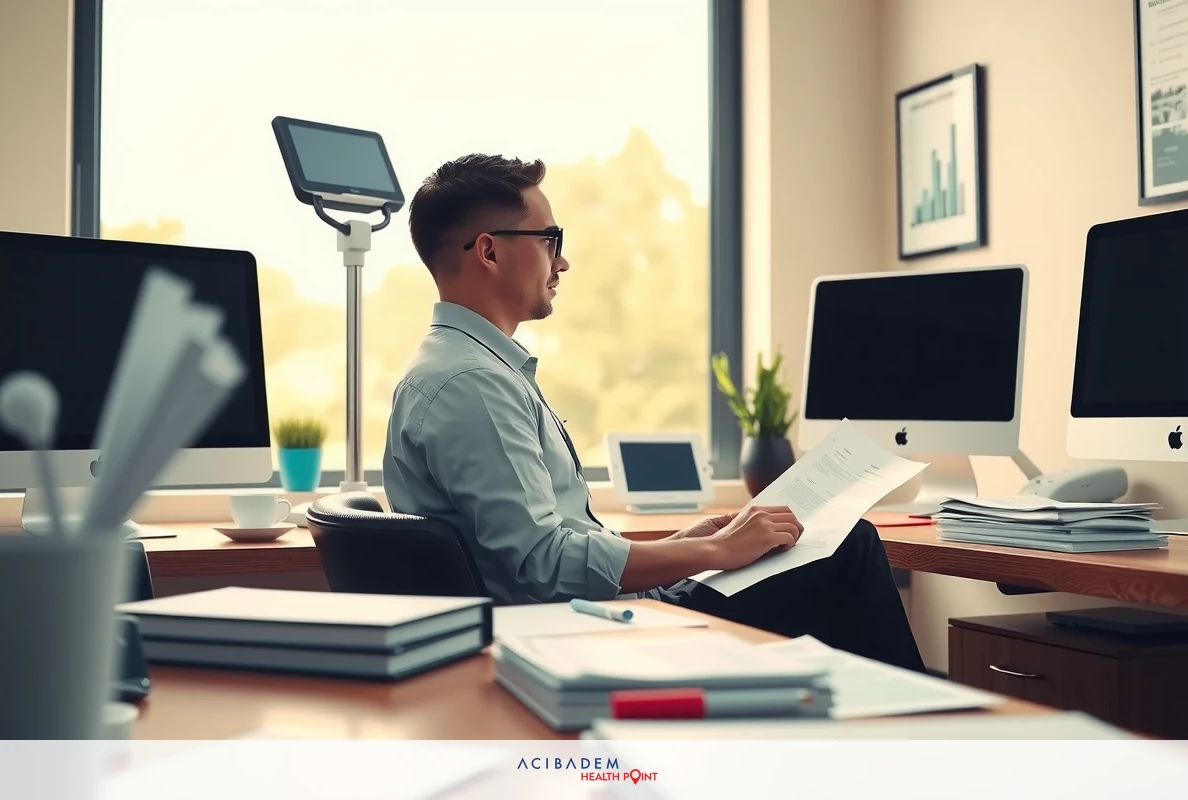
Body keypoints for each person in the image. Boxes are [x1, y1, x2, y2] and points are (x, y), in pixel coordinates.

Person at [382, 153, 926, 673]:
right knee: (847, 547)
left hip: (586, 620)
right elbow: (544, 564)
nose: (562, 259)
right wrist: (714, 549)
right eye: (551, 239)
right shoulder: (472, 384)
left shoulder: (462, 369)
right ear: (489, 251)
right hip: (576, 637)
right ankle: (930, 740)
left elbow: (549, 545)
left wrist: (687, 543)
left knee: (811, 554)